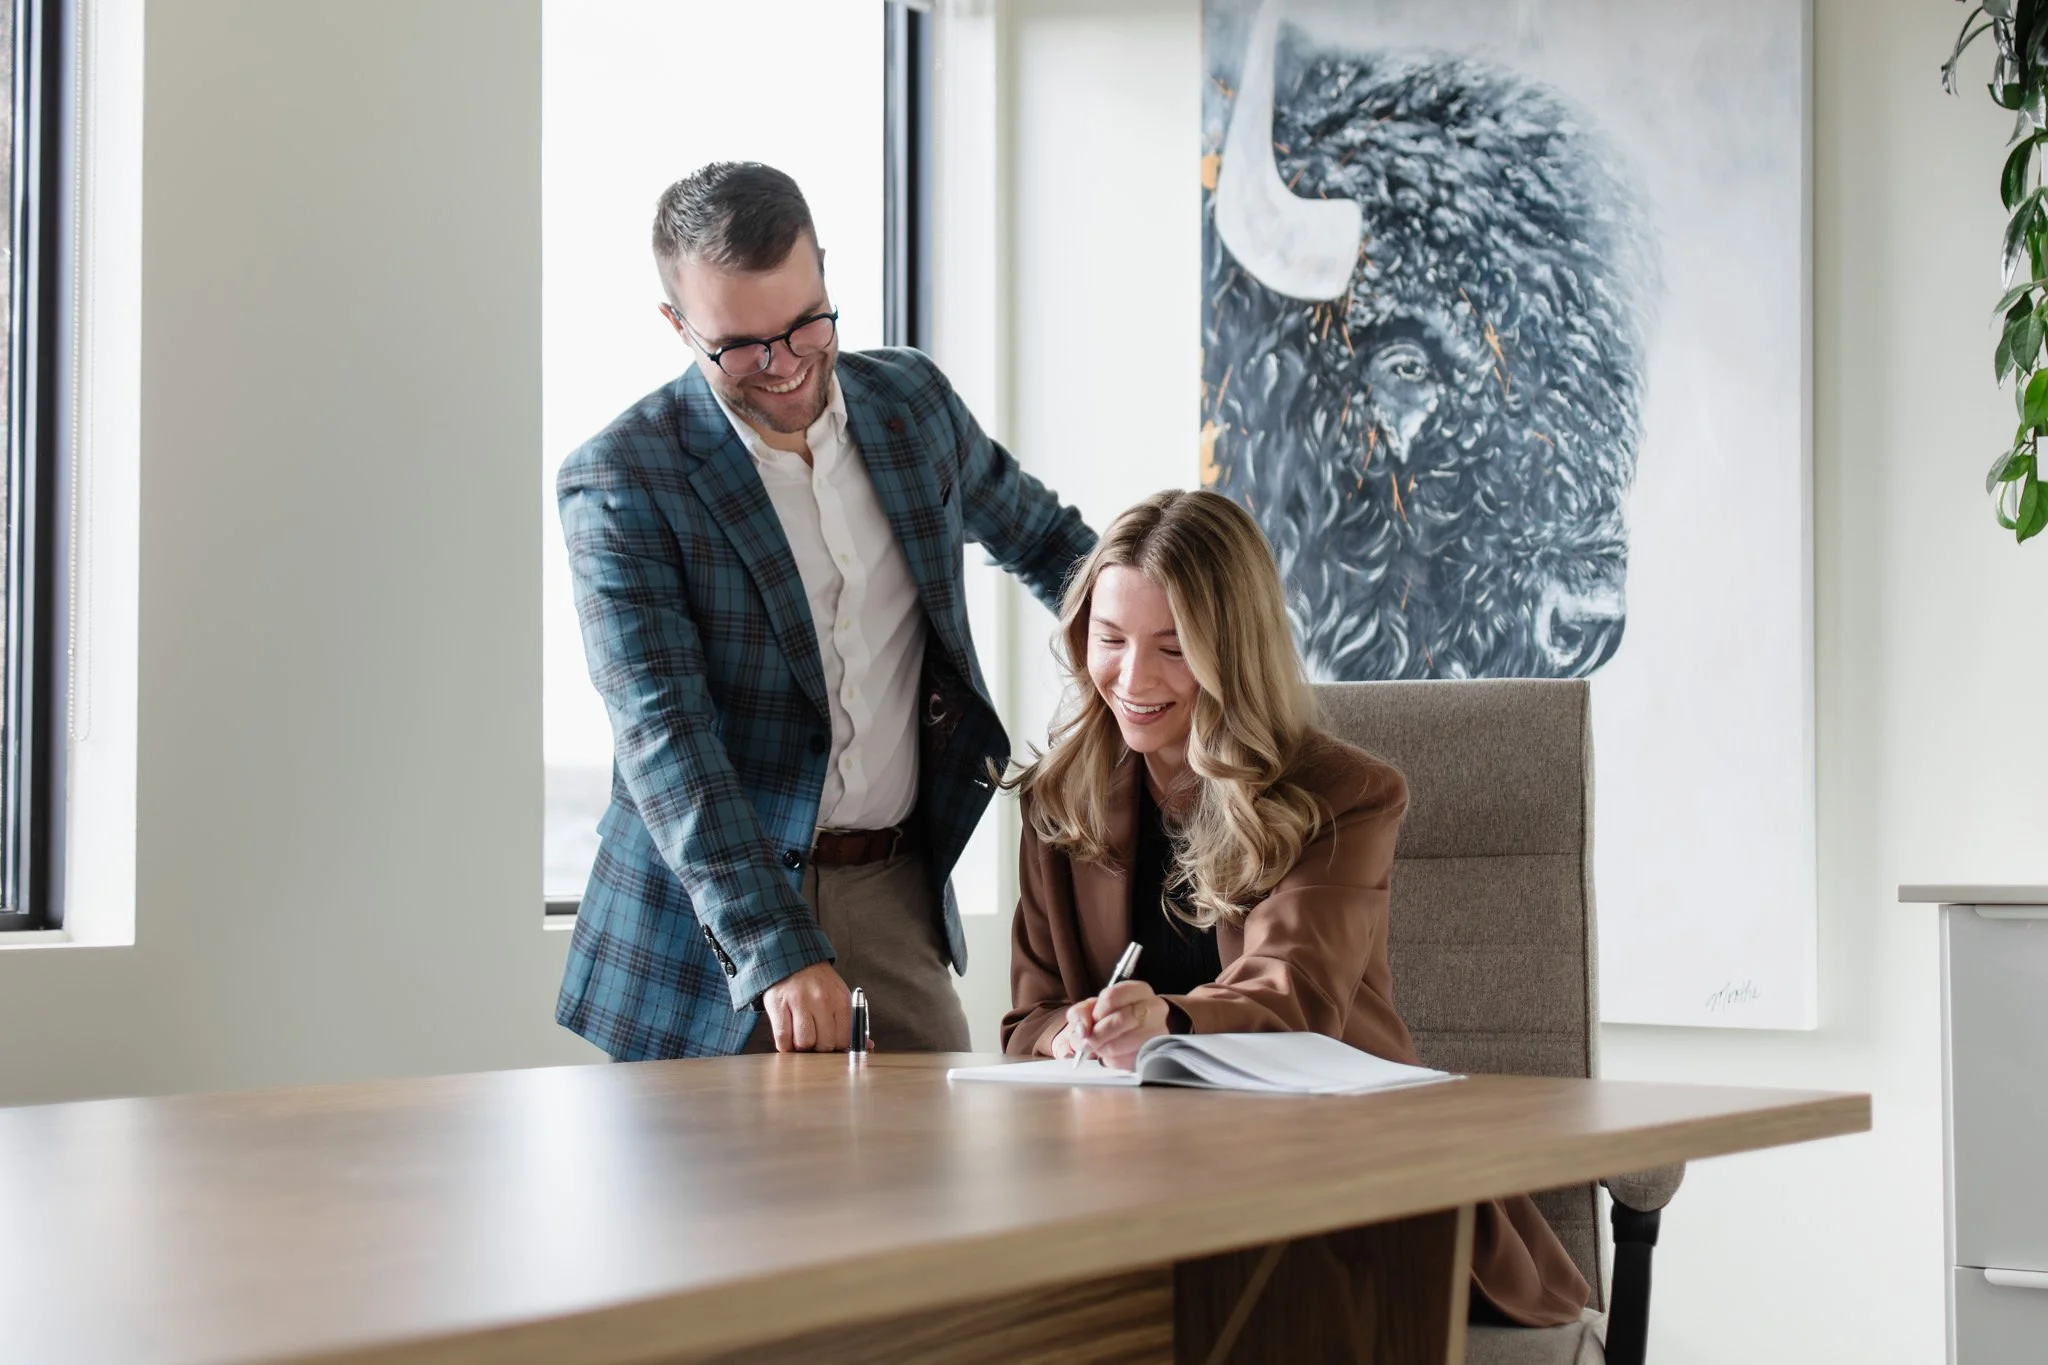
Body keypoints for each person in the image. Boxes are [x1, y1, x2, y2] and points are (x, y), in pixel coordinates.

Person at [1001, 489, 1591, 1328]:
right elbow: (1027, 1016)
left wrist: (1166, 1021)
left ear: (1231, 651)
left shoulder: (1342, 794)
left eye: (1173, 647)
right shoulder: (1059, 800)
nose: (1133, 679)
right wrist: (1070, 1032)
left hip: (1341, 1180)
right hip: (1137, 1180)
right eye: (1111, 639)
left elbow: (1296, 995)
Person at [557, 161, 1093, 1061]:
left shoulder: (913, 407)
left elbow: (1052, 545)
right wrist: (776, 947)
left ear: (825, 273)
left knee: (938, 1150)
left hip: (891, 890)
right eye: (742, 347)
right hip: (701, 929)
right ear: (678, 325)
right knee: (713, 1163)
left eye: (807, 324)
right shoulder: (622, 479)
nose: (786, 365)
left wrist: (1162, 659)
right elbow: (666, 738)